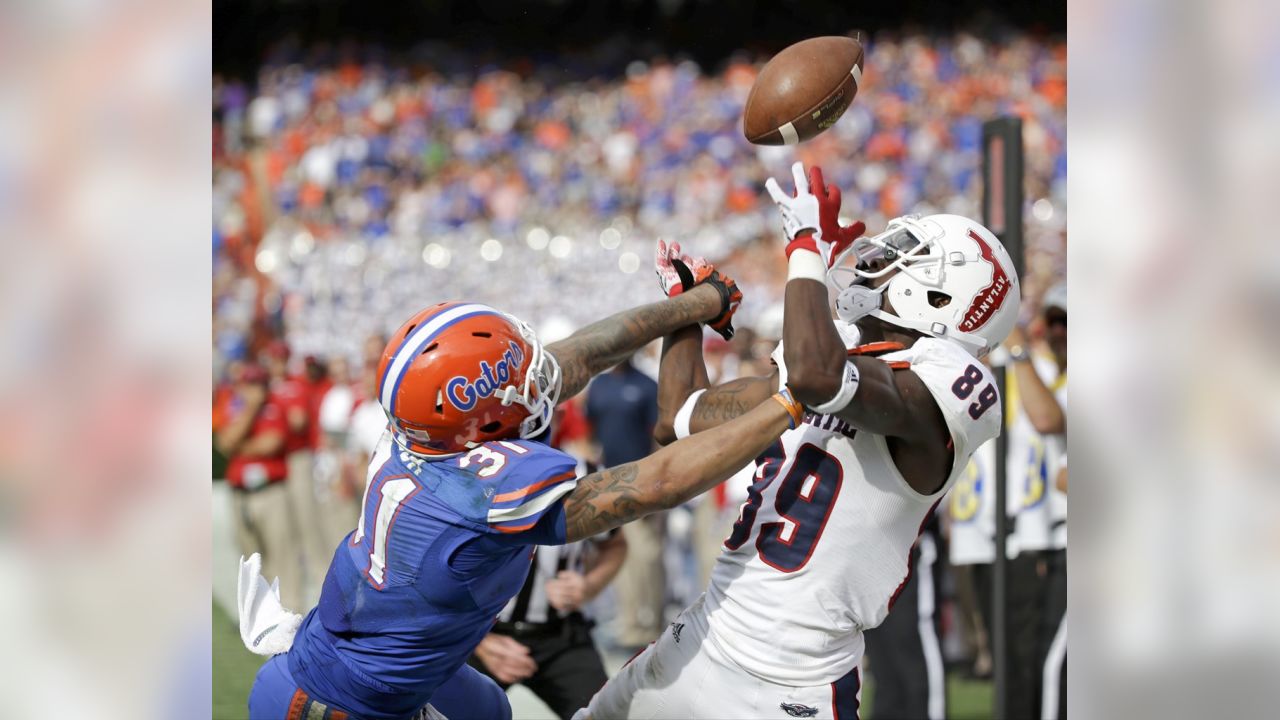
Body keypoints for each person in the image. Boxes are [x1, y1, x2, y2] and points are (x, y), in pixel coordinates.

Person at [243, 276, 812, 720]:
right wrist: (791, 401)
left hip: (365, 657)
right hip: (341, 703)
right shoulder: (476, 488)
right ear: (481, 416)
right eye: (518, 378)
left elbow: (572, 359)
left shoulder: (418, 434)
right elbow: (655, 483)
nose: (539, 381)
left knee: (489, 709)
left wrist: (694, 304)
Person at [577, 163, 1021, 719]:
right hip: (703, 637)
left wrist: (807, 249)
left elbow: (819, 378)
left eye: (909, 257)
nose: (880, 261)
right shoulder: (839, 361)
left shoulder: (947, 389)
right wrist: (685, 315)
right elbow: (679, 417)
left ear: (941, 298)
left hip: (792, 685)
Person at [469, 527, 627, 720]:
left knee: (607, 714)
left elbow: (615, 544)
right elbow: (429, 564)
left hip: (560, 635)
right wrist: (477, 641)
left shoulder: (582, 495)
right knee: (437, 709)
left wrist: (589, 586)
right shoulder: (480, 496)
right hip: (477, 633)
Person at [1003, 282, 1068, 720]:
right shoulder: (1058, 377)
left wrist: (1020, 354)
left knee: (1055, 663)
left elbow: (1046, 421)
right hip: (1050, 532)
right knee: (1039, 655)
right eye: (1053, 321)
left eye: (1067, 322)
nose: (1057, 331)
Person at [583, 357, 664, 649]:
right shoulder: (600, 385)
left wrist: (655, 485)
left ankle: (650, 622)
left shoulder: (646, 385)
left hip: (643, 482)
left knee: (648, 555)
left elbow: (660, 436)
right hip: (610, 482)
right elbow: (592, 432)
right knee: (621, 555)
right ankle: (630, 623)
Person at [217, 363, 305, 609]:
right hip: (240, 494)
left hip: (270, 491)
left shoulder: (275, 406)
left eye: (259, 383)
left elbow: (271, 444)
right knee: (251, 562)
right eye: (250, 384)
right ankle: (258, 617)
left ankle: (290, 615)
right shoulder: (235, 407)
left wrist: (239, 446)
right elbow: (224, 442)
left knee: (283, 560)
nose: (255, 389)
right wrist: (249, 411)